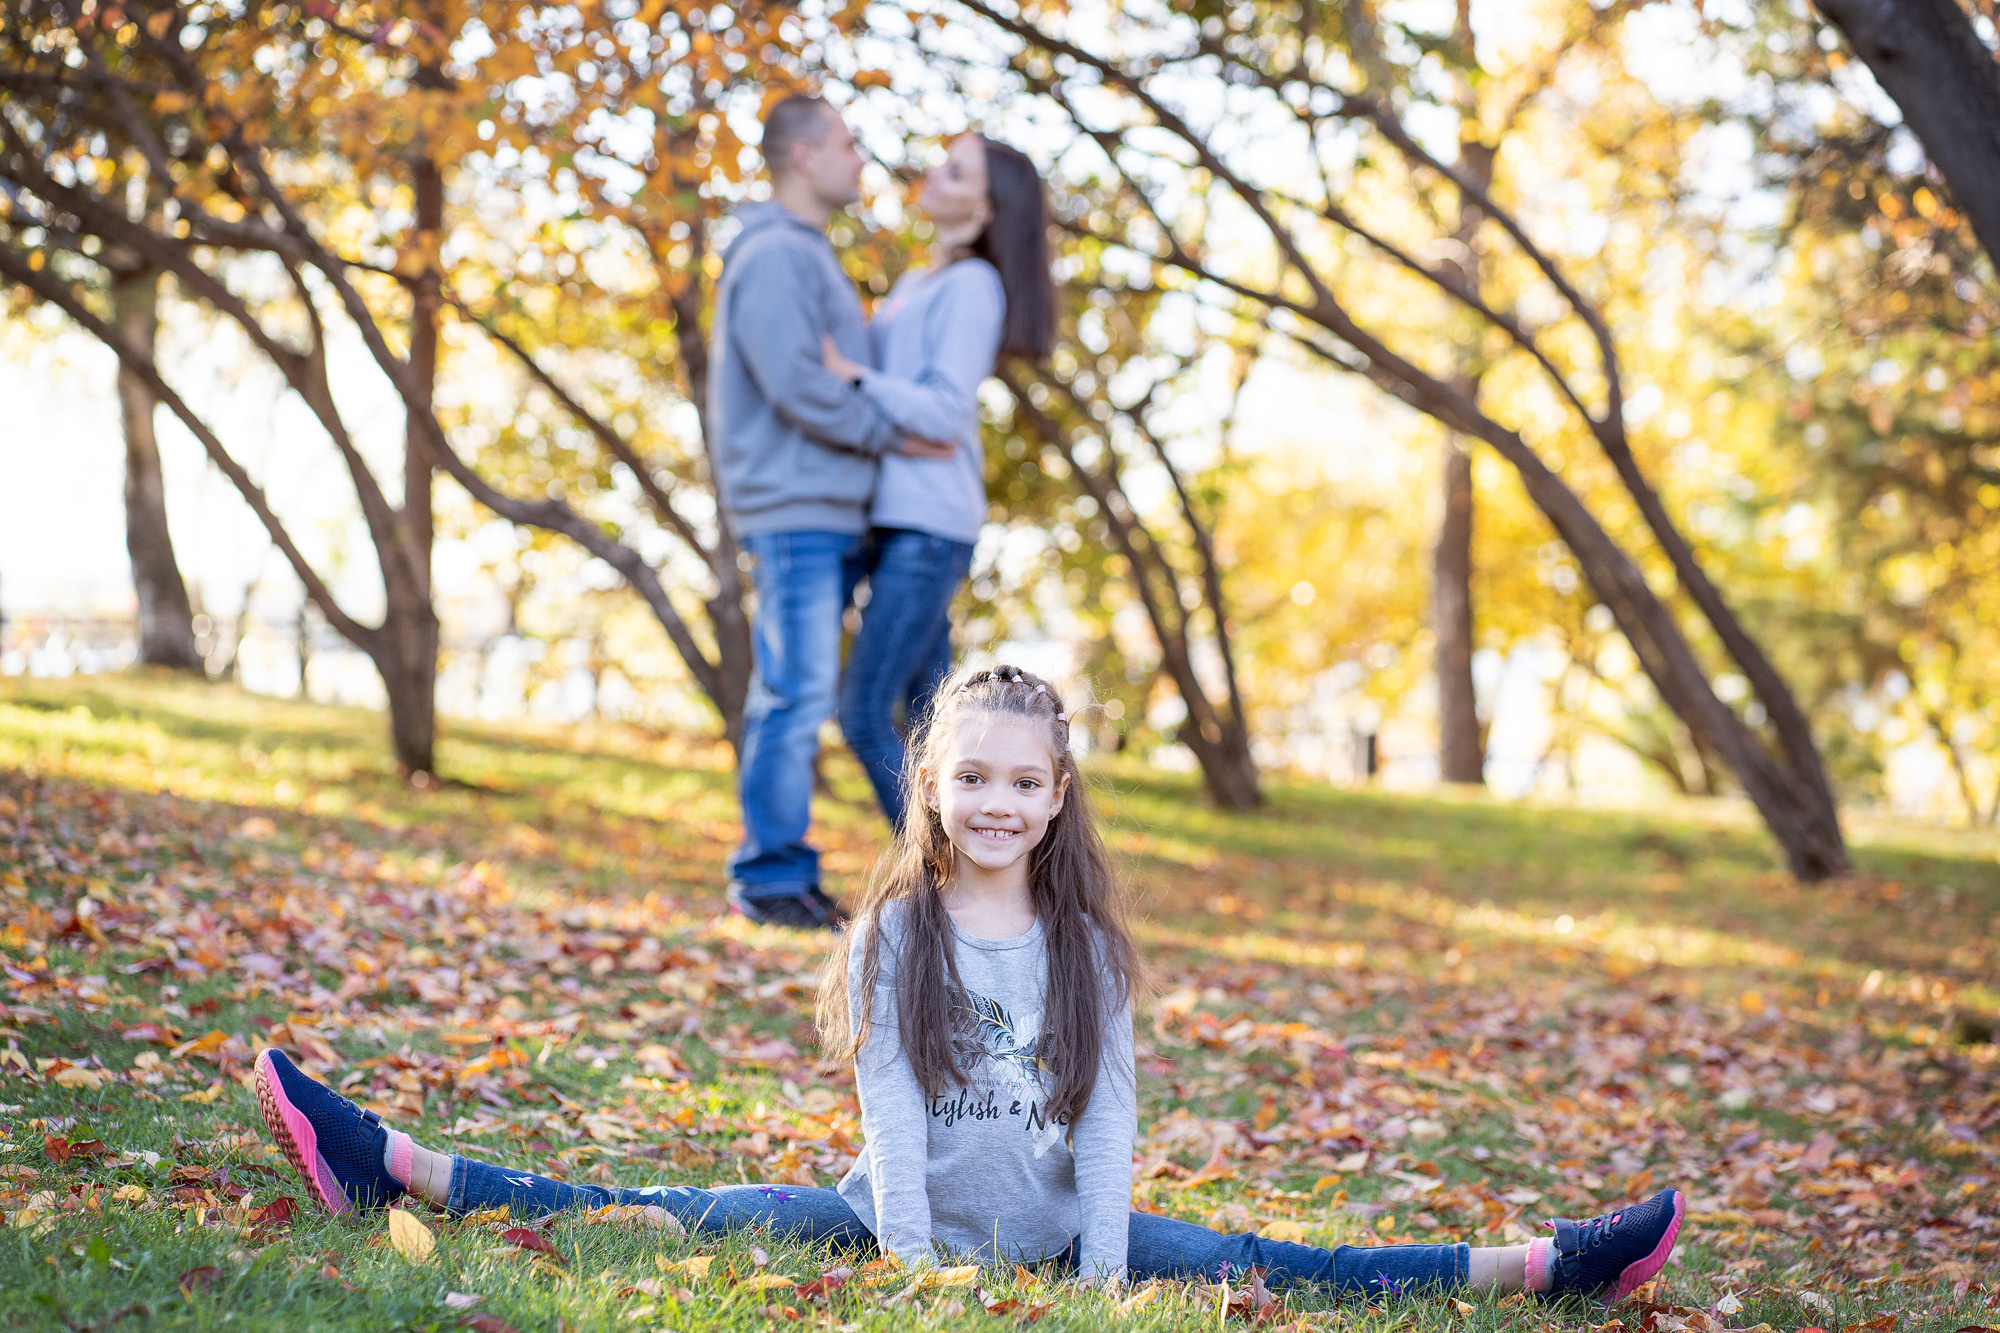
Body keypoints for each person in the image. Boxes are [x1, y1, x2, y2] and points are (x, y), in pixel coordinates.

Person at [253, 664, 1687, 1300]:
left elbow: (1111, 1124)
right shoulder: (890, 936)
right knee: (675, 1209)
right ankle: (398, 1165)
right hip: (891, 1223)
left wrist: (1112, 1269)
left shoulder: (1088, 948)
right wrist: (914, 1263)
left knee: (1286, 1265)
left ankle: (1547, 1266)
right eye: (971, 778)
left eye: (1024, 782)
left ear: (1058, 797)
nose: (997, 802)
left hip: (1070, 1237)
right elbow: (888, 1106)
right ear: (929, 786)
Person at [708, 93, 955, 932]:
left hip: (830, 506)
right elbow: (798, 384)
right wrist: (894, 434)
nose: (861, 159)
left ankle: (806, 874)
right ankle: (770, 876)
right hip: (795, 509)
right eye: (847, 144)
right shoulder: (776, 253)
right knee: (795, 690)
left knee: (854, 686)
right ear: (804, 157)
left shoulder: (807, 254)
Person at [822, 135, 1056, 829]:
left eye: (956, 172)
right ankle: (963, 892)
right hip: (900, 517)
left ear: (985, 209)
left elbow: (946, 414)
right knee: (937, 729)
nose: (933, 173)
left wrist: (853, 376)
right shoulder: (922, 279)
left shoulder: (973, 288)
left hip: (930, 523)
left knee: (865, 711)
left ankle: (945, 877)